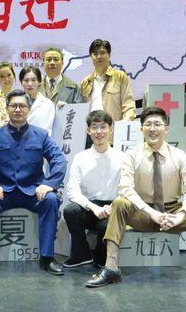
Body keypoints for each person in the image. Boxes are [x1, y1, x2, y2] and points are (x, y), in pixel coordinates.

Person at [85, 107, 186, 296]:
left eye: (157, 124)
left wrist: (180, 216)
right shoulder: (132, 156)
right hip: (142, 213)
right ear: (141, 129)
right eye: (148, 125)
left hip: (173, 212)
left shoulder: (179, 155)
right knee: (119, 203)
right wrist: (152, 213)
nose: (152, 129)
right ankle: (111, 268)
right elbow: (126, 189)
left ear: (166, 129)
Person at [0, 89, 67, 278]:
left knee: (51, 200)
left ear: (29, 109)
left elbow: (59, 160)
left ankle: (47, 258)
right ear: (7, 109)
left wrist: (49, 184)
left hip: (33, 193)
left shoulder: (41, 135)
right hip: (3, 192)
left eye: (22, 105)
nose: (18, 109)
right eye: (14, 105)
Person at [63, 110, 123, 268]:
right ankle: (81, 255)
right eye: (94, 127)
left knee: (105, 226)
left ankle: (101, 257)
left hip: (112, 207)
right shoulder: (80, 157)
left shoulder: (122, 157)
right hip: (89, 206)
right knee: (70, 211)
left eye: (103, 127)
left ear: (111, 129)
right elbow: (72, 191)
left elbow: (127, 189)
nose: (99, 132)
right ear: (88, 130)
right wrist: (93, 207)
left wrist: (113, 206)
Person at [80, 39, 136, 123]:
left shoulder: (120, 77)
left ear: (109, 55)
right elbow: (80, 110)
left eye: (102, 53)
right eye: (95, 54)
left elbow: (129, 105)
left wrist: (123, 125)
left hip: (113, 128)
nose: (99, 57)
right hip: (92, 128)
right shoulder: (85, 82)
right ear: (91, 56)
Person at [19, 66, 55, 135]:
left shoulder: (48, 105)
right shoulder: (15, 103)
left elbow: (48, 131)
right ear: (21, 82)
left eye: (33, 80)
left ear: (39, 82)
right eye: (26, 80)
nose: (30, 84)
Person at [0, 62, 16, 127]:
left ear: (13, 75)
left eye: (9, 75)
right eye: (2, 76)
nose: (6, 79)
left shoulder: (20, 97)